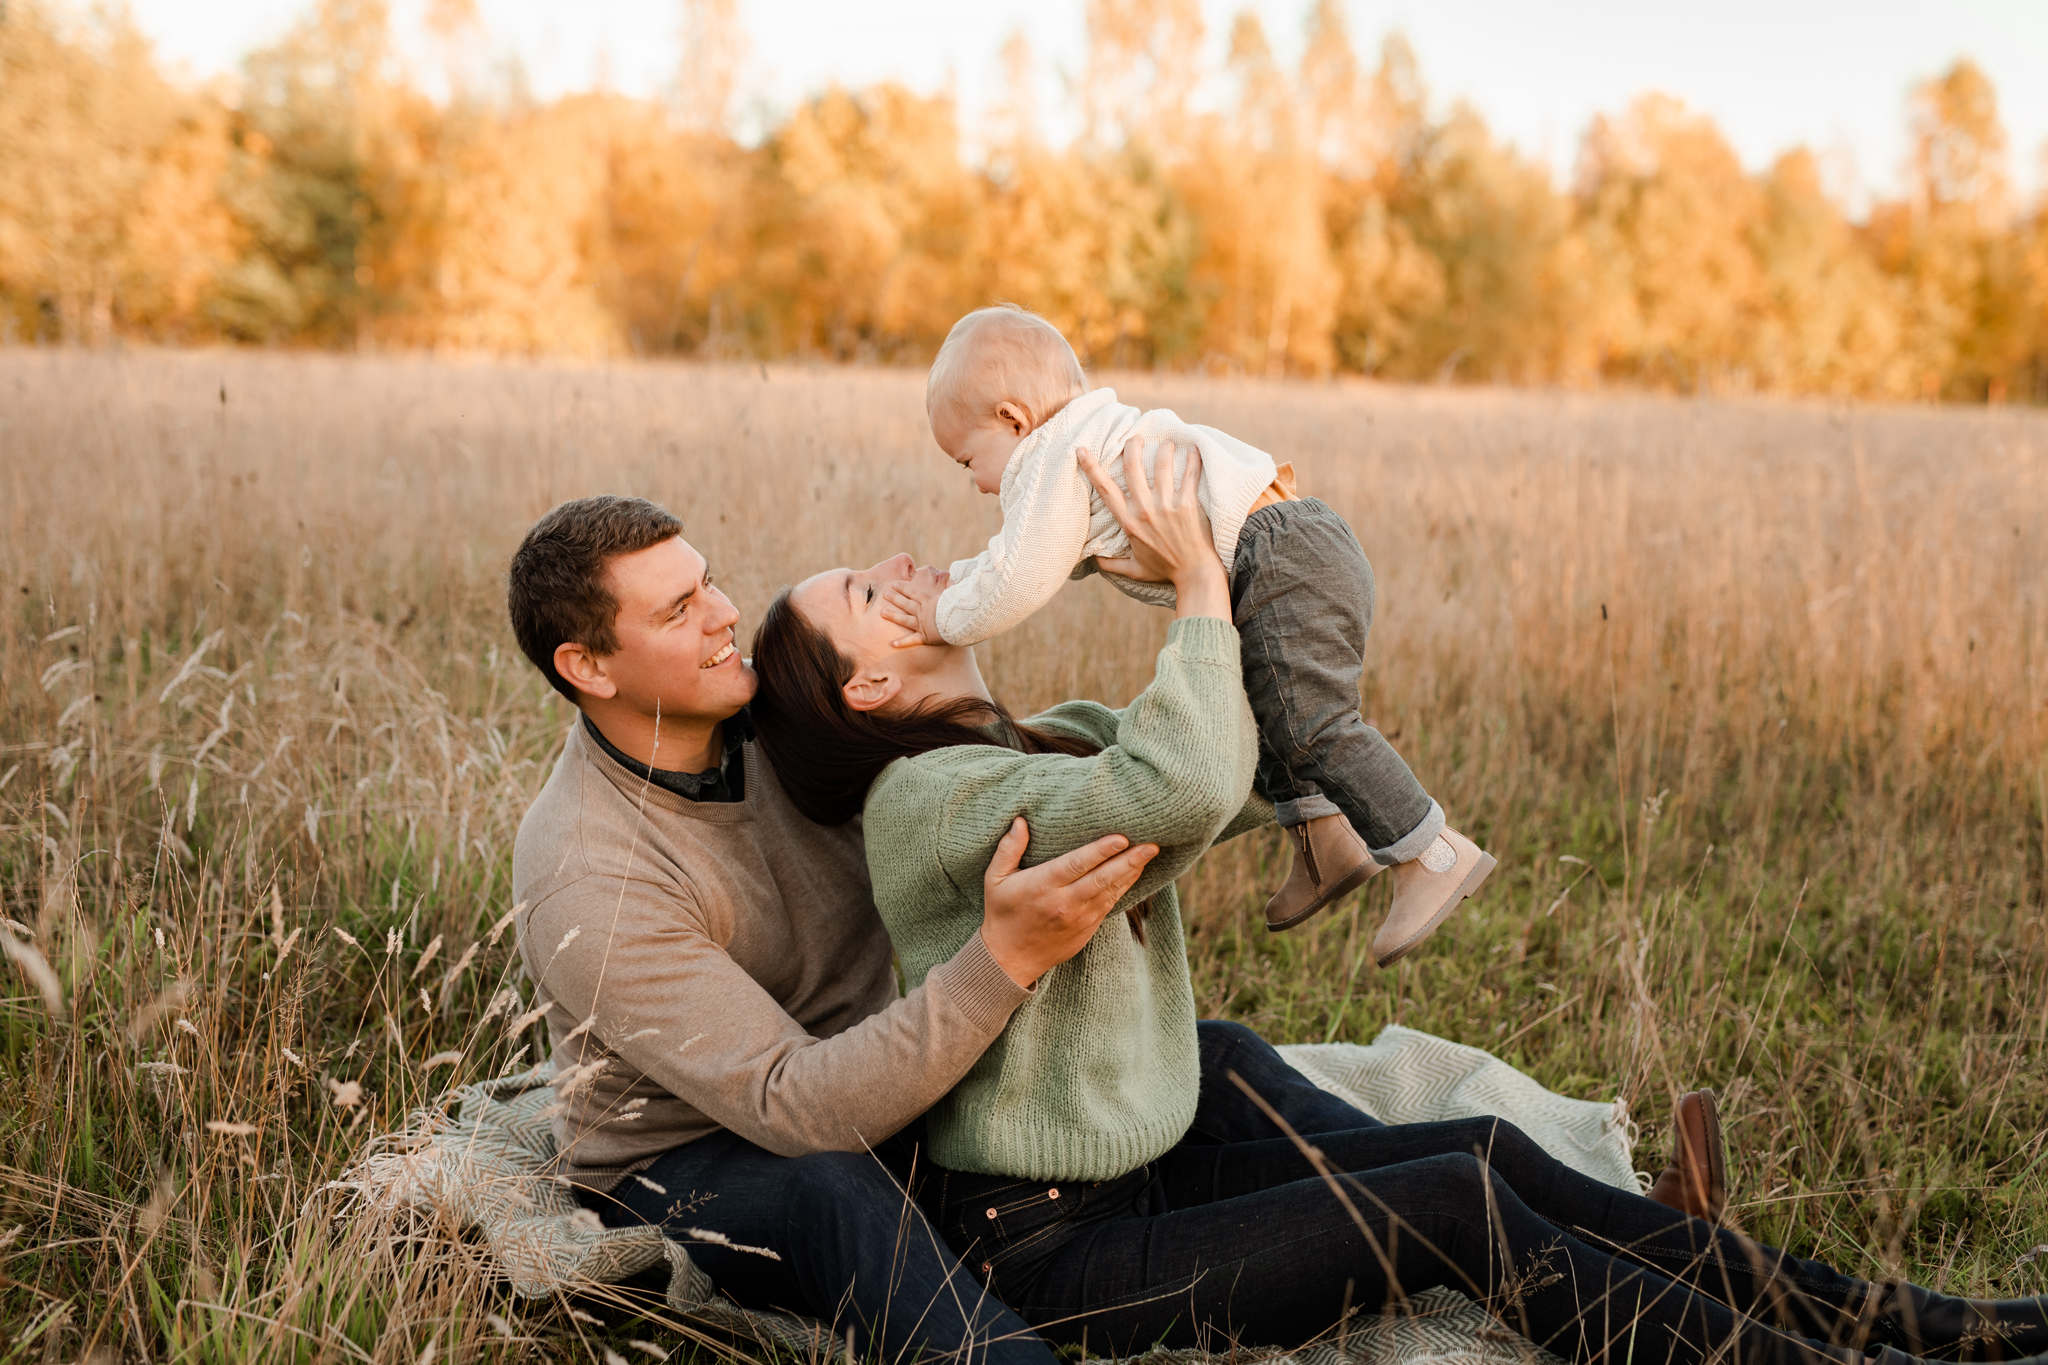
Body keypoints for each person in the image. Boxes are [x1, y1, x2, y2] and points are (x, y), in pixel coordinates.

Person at [744, 456, 2048, 1365]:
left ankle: (1904, 1313)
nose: (904, 565)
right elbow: (1179, 775)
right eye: (867, 591)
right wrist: (1199, 584)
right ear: (865, 691)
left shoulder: (1026, 744)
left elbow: (1215, 776)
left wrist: (1300, 704)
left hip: (1147, 1142)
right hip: (1053, 1242)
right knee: (1450, 1208)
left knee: (1475, 1150)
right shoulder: (929, 799)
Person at [503, 493, 1407, 1365]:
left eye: (708, 582)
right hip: (698, 1151)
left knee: (1212, 1055)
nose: (725, 613)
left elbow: (1030, 780)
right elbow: (794, 1104)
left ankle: (1435, 1194)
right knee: (832, 1191)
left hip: (877, 1075)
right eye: (679, 610)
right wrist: (1001, 961)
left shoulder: (778, 724)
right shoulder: (589, 872)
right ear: (589, 667)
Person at [882, 303, 1491, 961]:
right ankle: (1327, 843)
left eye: (968, 459)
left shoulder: (1053, 455)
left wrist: (940, 617)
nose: (976, 483)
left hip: (1276, 555)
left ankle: (1433, 852)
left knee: (1314, 724)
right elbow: (1019, 555)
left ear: (1013, 419)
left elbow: (1017, 578)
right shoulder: (1093, 435)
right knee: (1272, 707)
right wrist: (953, 580)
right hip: (1296, 541)